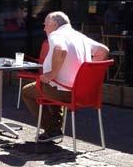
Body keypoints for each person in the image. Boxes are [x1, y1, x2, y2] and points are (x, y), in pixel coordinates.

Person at [21, 11, 109, 142]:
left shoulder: (56, 35)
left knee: (27, 92)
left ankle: (52, 129)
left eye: (46, 25)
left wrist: (52, 74)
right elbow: (103, 50)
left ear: (55, 24)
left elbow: (61, 50)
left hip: (64, 92)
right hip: (84, 93)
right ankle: (55, 128)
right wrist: (88, 73)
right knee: (51, 84)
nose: (44, 28)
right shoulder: (78, 36)